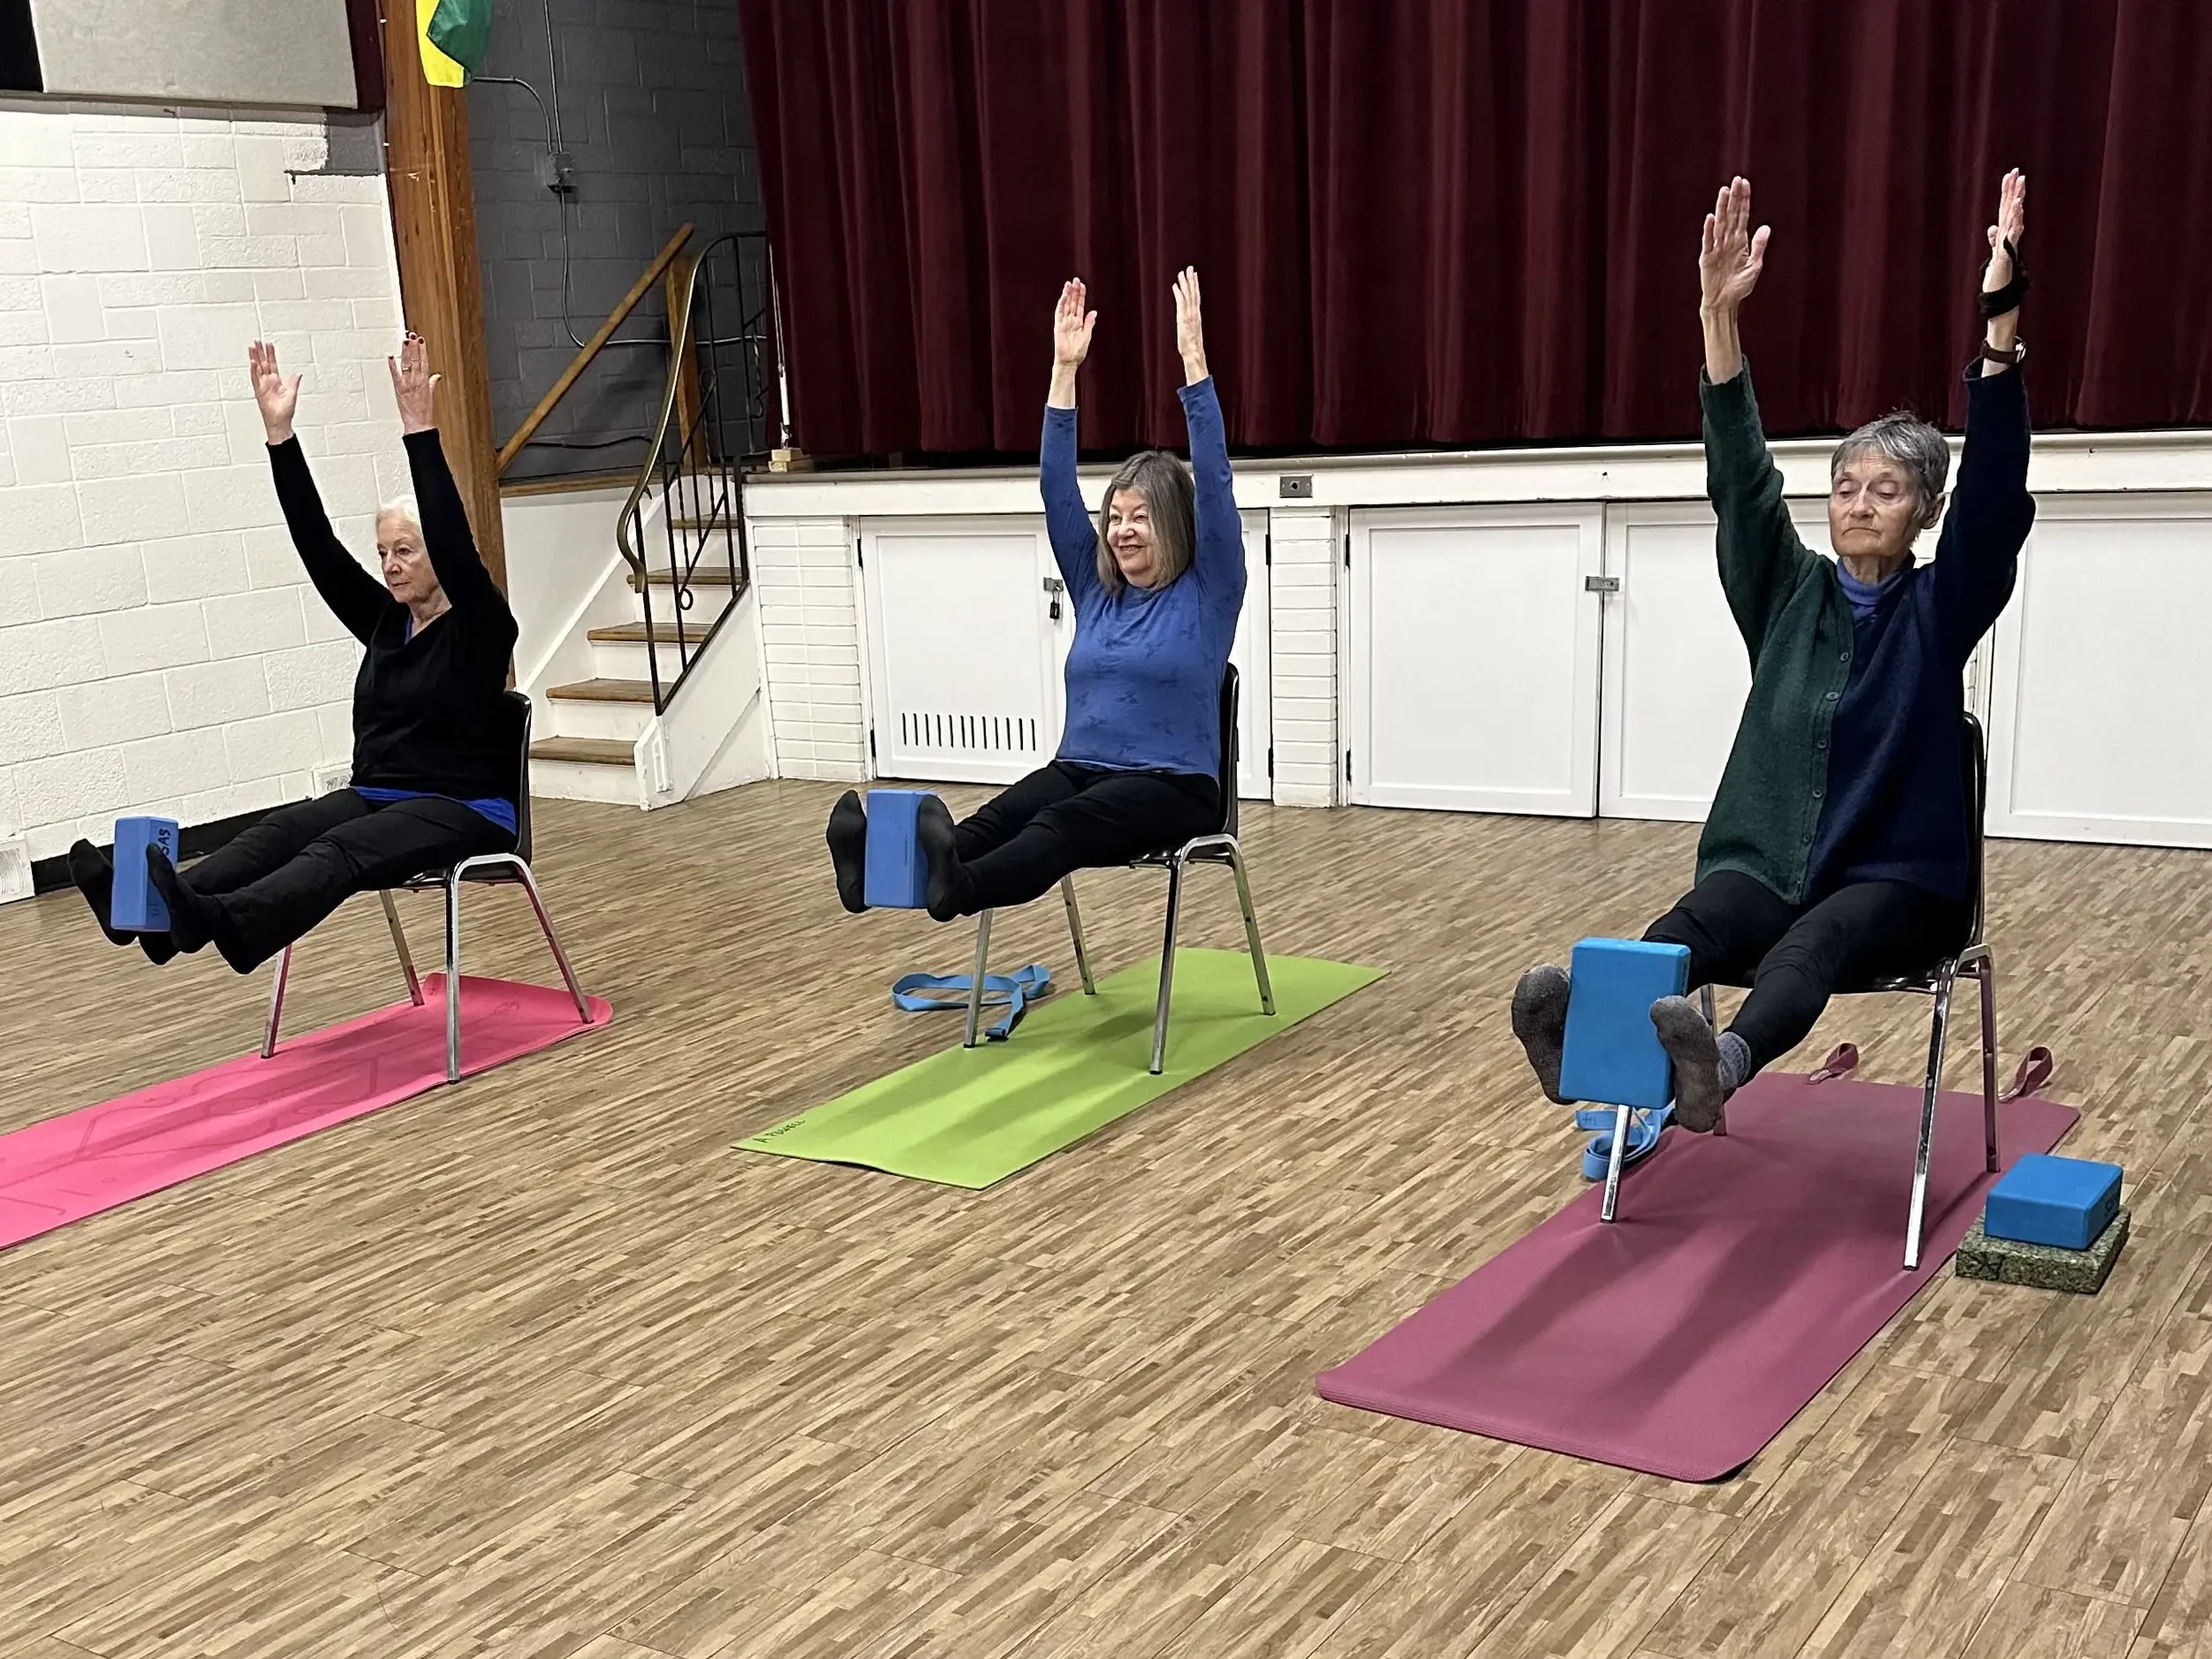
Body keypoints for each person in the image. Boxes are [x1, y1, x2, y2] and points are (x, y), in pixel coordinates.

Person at [1512, 170, 2035, 1131]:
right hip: (1768, 864)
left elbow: (1997, 503)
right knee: (1686, 929)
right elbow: (1740, 482)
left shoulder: (1940, 604)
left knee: (1814, 942)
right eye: (1844, 486)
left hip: (1896, 882)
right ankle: (1585, 1046)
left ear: (1923, 510)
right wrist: (1718, 320)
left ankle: (1723, 1065)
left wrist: (1998, 328)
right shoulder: (1786, 593)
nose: (1858, 502)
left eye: (1884, 489)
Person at [66, 334, 521, 974]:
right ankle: (148, 912)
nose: (389, 565)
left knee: (336, 849)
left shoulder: (481, 624)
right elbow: (319, 547)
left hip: (465, 808)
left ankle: (220, 923)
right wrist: (280, 436)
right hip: (380, 793)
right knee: (278, 833)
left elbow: (451, 538)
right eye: (384, 551)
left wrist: (419, 430)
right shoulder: (388, 623)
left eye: (406, 551)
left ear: (441, 558)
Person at [825, 267, 1245, 920]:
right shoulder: (1098, 588)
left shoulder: (1210, 590)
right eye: (1115, 517)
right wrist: (1063, 367)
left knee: (1058, 826)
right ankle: (873, 879)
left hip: (1174, 786)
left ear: (1176, 524)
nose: (1121, 530)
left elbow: (1215, 480)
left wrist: (1194, 364)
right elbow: (1055, 489)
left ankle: (957, 895)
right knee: (996, 820)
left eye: (1140, 517)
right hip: (1082, 765)